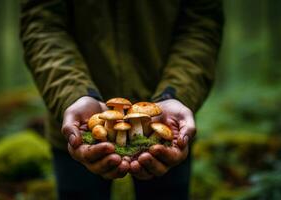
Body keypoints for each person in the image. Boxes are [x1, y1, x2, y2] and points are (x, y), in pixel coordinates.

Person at [20, 0, 224, 199]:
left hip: (167, 128)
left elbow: (201, 27)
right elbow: (42, 24)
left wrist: (175, 94)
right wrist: (73, 95)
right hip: (79, 127)